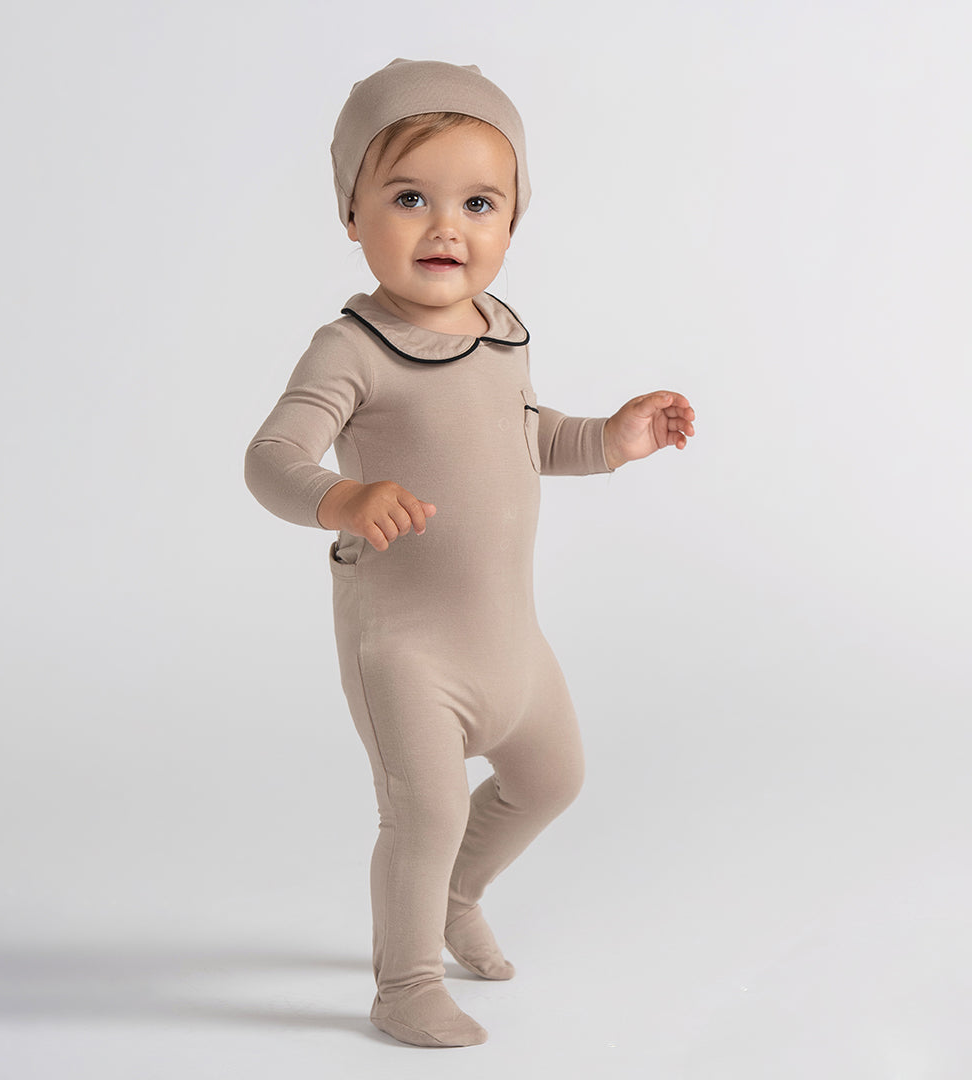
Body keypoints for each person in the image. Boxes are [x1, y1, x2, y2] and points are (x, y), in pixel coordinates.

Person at [244, 58, 695, 1048]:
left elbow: (526, 436)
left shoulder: (502, 331)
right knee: (424, 814)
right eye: (409, 197)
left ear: (512, 221)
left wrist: (611, 438)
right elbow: (270, 459)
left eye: (478, 203)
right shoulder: (352, 349)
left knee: (553, 778)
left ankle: (455, 900)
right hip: (407, 646)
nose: (445, 226)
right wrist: (343, 496)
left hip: (507, 638)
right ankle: (405, 985)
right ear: (352, 213)